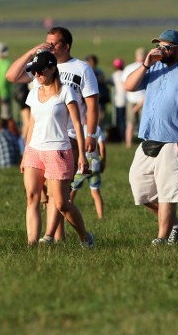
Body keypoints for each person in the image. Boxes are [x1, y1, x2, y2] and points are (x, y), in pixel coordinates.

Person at [6, 26, 100, 241]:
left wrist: (91, 135)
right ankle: (55, 238)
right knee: (41, 196)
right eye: (46, 41)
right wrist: (34, 51)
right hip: (38, 142)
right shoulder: (40, 67)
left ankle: (53, 236)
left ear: (66, 46)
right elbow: (11, 76)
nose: (49, 45)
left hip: (68, 138)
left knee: (58, 198)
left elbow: (92, 106)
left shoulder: (82, 68)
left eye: (54, 43)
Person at [126, 29, 178, 245]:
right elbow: (129, 86)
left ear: (177, 49)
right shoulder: (153, 69)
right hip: (148, 138)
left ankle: (161, 238)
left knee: (167, 193)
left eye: (165, 47)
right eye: (158, 45)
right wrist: (145, 65)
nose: (160, 50)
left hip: (174, 140)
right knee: (139, 189)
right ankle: (177, 225)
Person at [20, 50, 95, 247]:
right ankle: (32, 243)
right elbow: (31, 124)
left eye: (40, 71)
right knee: (32, 196)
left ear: (53, 69)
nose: (36, 75)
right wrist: (25, 152)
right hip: (34, 151)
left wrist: (83, 156)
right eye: (33, 71)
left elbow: (78, 124)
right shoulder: (33, 94)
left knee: (61, 202)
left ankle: (85, 237)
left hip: (59, 150)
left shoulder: (66, 92)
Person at [71, 124, 106, 219]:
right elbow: (102, 146)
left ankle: (66, 216)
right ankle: (101, 216)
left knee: (71, 193)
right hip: (94, 166)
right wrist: (103, 160)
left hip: (80, 167)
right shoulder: (97, 128)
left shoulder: (78, 128)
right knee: (95, 192)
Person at [122, 47, 147, 148]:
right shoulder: (148, 68)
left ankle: (128, 144)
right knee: (145, 124)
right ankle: (145, 143)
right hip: (144, 99)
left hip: (130, 99)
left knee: (130, 123)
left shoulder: (129, 68)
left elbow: (125, 84)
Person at [110, 58, 127, 140]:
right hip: (127, 99)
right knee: (126, 120)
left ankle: (121, 137)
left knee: (120, 120)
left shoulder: (114, 75)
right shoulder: (125, 73)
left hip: (119, 100)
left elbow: (108, 82)